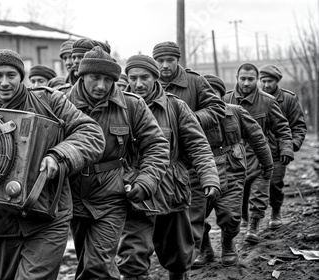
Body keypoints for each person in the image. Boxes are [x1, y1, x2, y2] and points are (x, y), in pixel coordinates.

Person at [0, 49, 104, 280]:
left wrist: (59, 155)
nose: (4, 82)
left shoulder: (49, 101)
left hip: (47, 216)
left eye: (11, 75)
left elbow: (91, 133)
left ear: (21, 76)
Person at [66, 46, 170, 280]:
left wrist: (146, 181)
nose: (101, 86)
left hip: (111, 196)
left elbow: (157, 145)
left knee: (98, 266)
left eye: (108, 79)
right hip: (71, 195)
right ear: (82, 76)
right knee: (85, 262)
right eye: (95, 78)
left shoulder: (131, 105)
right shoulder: (61, 103)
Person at [117, 54, 220, 280]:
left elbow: (198, 145)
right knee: (132, 256)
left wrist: (209, 177)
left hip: (171, 189)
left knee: (178, 253)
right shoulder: (118, 107)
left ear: (155, 77)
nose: (138, 83)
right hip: (134, 191)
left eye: (145, 77)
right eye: (133, 78)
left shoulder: (175, 106)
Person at [153, 41, 226, 261]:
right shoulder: (148, 83)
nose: (165, 65)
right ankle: (197, 248)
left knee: (193, 213)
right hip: (160, 163)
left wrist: (190, 119)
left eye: (170, 61)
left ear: (178, 61)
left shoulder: (195, 82)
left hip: (190, 160)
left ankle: (189, 258)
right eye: (160, 61)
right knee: (170, 219)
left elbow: (217, 108)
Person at [193, 74, 273, 268]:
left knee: (230, 215)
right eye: (207, 94)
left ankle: (228, 244)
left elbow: (257, 138)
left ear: (222, 95)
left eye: (216, 93)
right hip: (200, 172)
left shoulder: (236, 112)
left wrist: (267, 164)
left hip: (232, 170)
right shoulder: (192, 117)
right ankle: (205, 248)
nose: (212, 97)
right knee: (194, 216)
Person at [224, 63, 293, 244]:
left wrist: (286, 148)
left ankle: (253, 226)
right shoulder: (226, 100)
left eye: (251, 79)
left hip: (261, 155)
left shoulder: (268, 101)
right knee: (240, 196)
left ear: (257, 80)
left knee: (259, 192)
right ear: (237, 78)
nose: (246, 83)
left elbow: (283, 128)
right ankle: (246, 221)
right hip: (236, 159)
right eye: (243, 79)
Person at [259, 64, 307, 229]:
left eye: (270, 81)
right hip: (255, 152)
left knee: (274, 183)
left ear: (277, 81)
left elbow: (299, 126)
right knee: (249, 185)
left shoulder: (288, 99)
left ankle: (276, 211)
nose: (266, 85)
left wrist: (291, 146)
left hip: (278, 151)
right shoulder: (255, 98)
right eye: (263, 81)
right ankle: (251, 220)